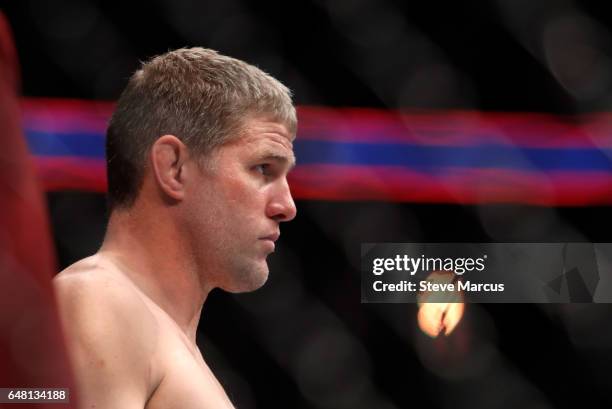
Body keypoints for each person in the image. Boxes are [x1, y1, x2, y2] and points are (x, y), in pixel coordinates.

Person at [53, 47, 297, 408]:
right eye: (263, 168)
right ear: (173, 168)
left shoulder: (171, 341)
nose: (286, 207)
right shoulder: (99, 298)